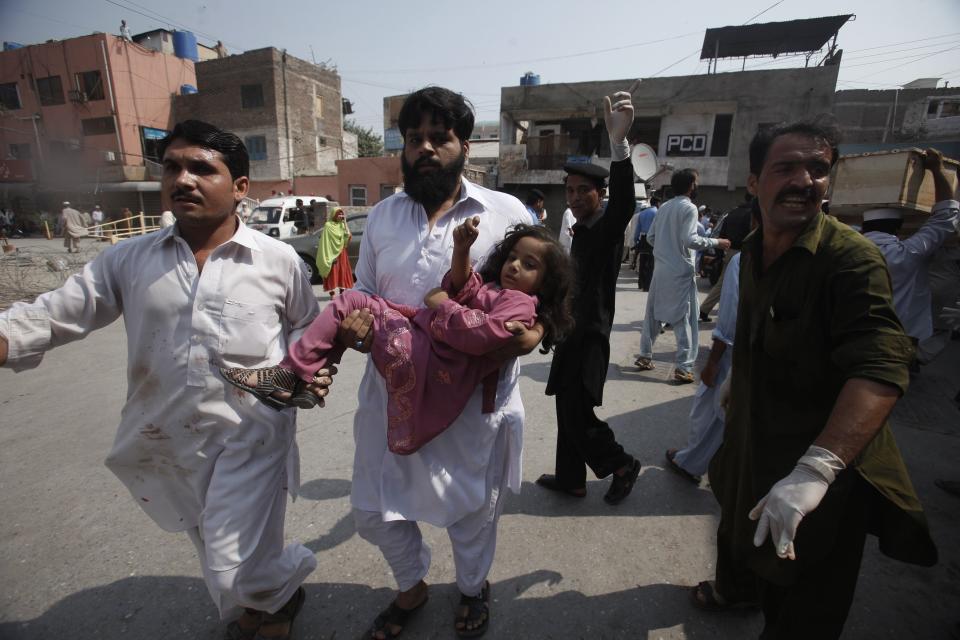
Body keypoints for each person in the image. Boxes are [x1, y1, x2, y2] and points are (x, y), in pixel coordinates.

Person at [0, 120, 332, 640]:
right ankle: (271, 604)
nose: (183, 179)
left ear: (240, 187)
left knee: (229, 564)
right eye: (173, 167)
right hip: (168, 437)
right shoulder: (128, 259)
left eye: (201, 168)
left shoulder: (277, 260)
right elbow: (56, 313)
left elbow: (308, 325)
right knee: (215, 544)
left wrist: (300, 373)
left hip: (253, 434)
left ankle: (278, 587)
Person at [703, 117, 937, 638]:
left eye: (817, 169)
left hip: (818, 478)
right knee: (760, 574)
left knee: (804, 611)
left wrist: (818, 469)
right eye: (786, 167)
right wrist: (735, 380)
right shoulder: (754, 253)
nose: (804, 180)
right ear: (753, 181)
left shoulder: (851, 260)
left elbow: (880, 365)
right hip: (757, 455)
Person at [336, 86, 541, 639]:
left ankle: (473, 590)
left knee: (471, 514)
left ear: (464, 146)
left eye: (439, 137)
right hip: (391, 394)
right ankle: (412, 586)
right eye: (414, 138)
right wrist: (356, 329)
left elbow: (544, 291)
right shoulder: (380, 217)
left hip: (474, 402)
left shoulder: (506, 213)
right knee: (371, 511)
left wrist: (535, 334)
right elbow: (366, 292)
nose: (425, 148)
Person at [221, 221, 574, 457]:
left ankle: (297, 374)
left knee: (352, 303)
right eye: (512, 258)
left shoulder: (522, 305)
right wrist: (462, 249)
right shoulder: (500, 289)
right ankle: (299, 373)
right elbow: (469, 287)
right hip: (423, 342)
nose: (514, 266)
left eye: (529, 265)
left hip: (431, 359)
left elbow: (478, 334)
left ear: (545, 282)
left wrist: (441, 304)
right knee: (352, 302)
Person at [537, 90, 642, 505]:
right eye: (571, 190)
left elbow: (625, 206)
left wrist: (619, 147)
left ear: (600, 193)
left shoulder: (605, 224)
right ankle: (571, 479)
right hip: (571, 333)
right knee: (567, 410)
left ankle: (622, 464)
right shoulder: (582, 229)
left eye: (584, 190)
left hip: (590, 336)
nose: (576, 197)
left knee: (580, 415)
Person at [860, 148, 959, 359]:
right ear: (899, 229)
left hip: (854, 333)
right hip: (895, 340)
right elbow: (947, 216)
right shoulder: (907, 252)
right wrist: (937, 170)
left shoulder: (849, 245)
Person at [636, 170, 730, 383]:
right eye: (696, 182)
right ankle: (684, 367)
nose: (698, 186)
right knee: (684, 319)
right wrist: (717, 242)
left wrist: (665, 249)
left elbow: (651, 237)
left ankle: (644, 355)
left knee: (653, 314)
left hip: (661, 270)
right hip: (680, 271)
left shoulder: (665, 207)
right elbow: (690, 239)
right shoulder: (689, 208)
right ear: (690, 186)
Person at [665, 252, 741, 485]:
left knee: (714, 408)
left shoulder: (746, 259)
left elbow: (730, 318)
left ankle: (691, 462)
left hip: (737, 355)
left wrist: (713, 361)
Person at [699, 192, 753, 321]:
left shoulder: (732, 213)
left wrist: (720, 254)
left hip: (731, 251)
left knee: (722, 284)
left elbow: (722, 233)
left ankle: (704, 309)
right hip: (747, 253)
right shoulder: (754, 213)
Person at [315, 207, 354, 298]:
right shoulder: (328, 225)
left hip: (341, 253)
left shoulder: (342, 225)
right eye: (338, 214)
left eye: (341, 214)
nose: (340, 216)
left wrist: (345, 223)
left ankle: (342, 292)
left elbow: (347, 236)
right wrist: (329, 254)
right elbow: (325, 241)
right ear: (334, 214)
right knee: (332, 272)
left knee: (342, 272)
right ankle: (332, 293)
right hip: (331, 253)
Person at [634, 196, 659, 290]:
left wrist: (636, 239)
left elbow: (638, 228)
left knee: (642, 262)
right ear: (657, 203)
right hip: (652, 239)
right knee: (651, 263)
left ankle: (640, 283)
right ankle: (647, 286)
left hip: (643, 238)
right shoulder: (657, 212)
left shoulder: (642, 213)